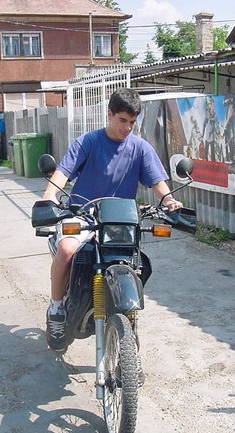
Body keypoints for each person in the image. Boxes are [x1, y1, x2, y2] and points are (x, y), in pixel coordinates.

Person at [42, 87, 182, 351]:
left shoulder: (140, 148)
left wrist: (169, 200)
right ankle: (57, 308)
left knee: (135, 264)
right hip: (83, 215)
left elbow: (157, 183)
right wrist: (49, 195)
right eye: (122, 120)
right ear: (109, 114)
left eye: (132, 122)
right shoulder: (88, 142)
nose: (127, 128)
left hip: (119, 222)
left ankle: (127, 323)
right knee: (67, 249)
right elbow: (63, 172)